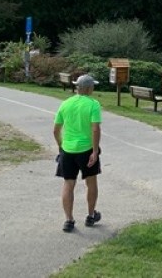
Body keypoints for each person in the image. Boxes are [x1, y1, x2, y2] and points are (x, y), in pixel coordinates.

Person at [53, 74, 102, 233]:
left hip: (68, 150)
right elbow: (95, 129)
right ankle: (90, 215)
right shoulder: (93, 104)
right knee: (91, 182)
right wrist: (95, 150)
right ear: (89, 88)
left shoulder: (65, 103)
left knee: (68, 183)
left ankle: (69, 219)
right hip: (86, 150)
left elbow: (56, 130)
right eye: (92, 86)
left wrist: (61, 146)